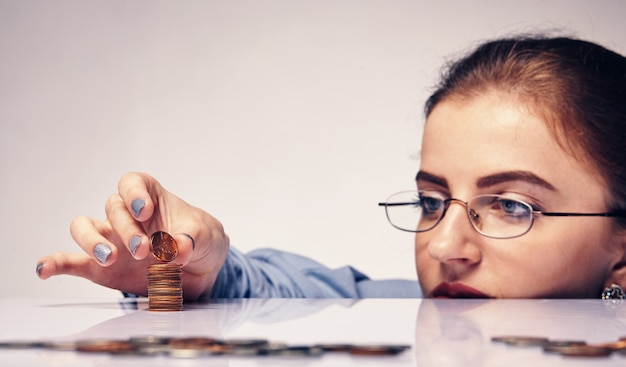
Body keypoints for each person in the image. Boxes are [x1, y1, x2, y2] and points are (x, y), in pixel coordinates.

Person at [36, 33, 626, 299]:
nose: (445, 246)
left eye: (511, 205)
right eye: (429, 202)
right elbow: (312, 288)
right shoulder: (414, 307)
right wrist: (199, 273)